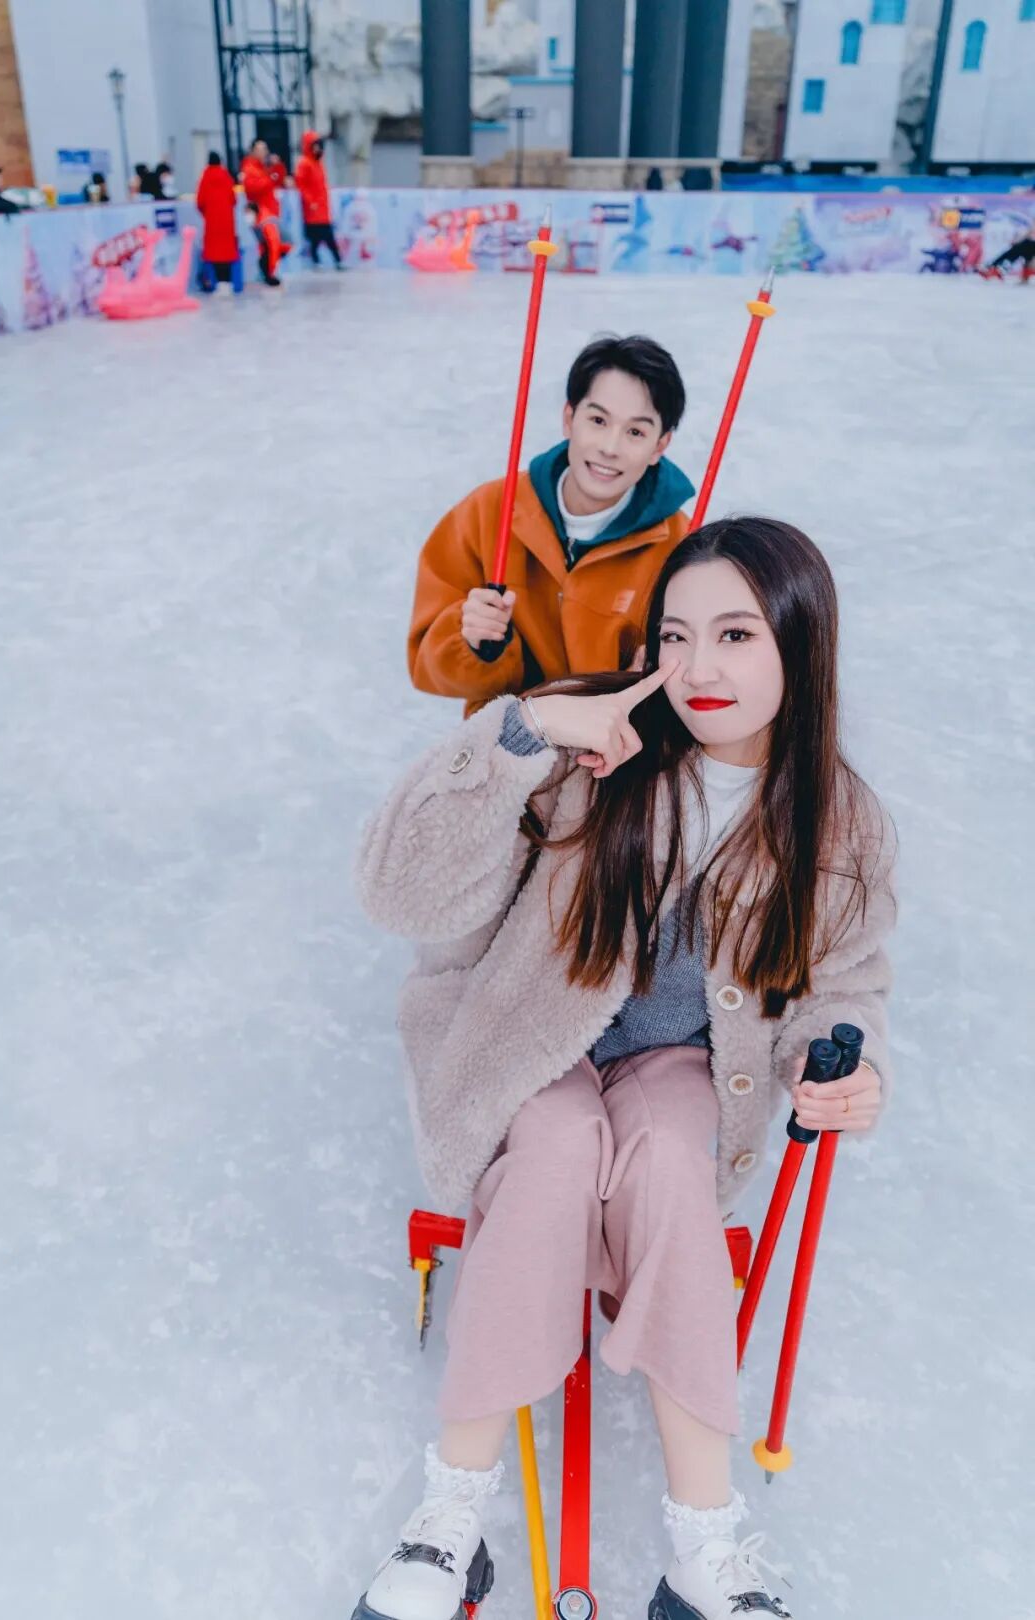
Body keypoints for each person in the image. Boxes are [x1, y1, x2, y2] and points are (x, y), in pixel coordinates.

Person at [356, 516, 897, 1620]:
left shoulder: (837, 819)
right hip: (523, 1039)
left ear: (801, 644)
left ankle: (705, 1543)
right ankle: (449, 1520)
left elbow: (844, 983)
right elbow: (399, 892)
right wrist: (525, 729)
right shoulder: (590, 740)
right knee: (557, 1145)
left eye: (736, 635)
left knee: (667, 1163)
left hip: (680, 1064)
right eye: (676, 636)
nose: (697, 668)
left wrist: (840, 1060)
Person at [409, 334, 693, 714]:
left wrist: (655, 681)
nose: (610, 447)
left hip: (621, 741)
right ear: (568, 418)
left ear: (660, 446)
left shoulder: (683, 546)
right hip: (508, 739)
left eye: (636, 432)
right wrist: (476, 643)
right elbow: (428, 666)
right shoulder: (488, 512)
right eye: (598, 420)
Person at [294, 130, 343, 268]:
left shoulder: (318, 163)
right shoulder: (304, 163)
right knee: (317, 236)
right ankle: (319, 261)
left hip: (322, 206)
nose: (318, 149)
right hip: (313, 208)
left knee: (327, 235)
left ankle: (335, 260)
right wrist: (310, 202)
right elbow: (302, 185)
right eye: (315, 145)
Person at [196, 151, 239, 290]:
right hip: (227, 221)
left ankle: (218, 283)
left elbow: (200, 202)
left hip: (212, 221)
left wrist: (207, 214)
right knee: (227, 252)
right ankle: (228, 282)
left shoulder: (205, 177)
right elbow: (233, 199)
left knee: (215, 252)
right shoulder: (226, 176)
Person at [244, 197, 290, 286]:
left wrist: (272, 269)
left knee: (265, 261)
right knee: (262, 260)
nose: (246, 215)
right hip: (272, 244)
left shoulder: (266, 223)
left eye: (248, 212)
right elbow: (261, 243)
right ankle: (268, 277)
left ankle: (271, 278)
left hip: (284, 245)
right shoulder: (256, 222)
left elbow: (274, 247)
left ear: (255, 212)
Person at [240, 138, 279, 218]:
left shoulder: (263, 167)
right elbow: (250, 188)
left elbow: (278, 180)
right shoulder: (249, 168)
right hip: (261, 212)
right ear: (253, 151)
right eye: (261, 150)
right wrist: (269, 180)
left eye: (265, 149)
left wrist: (277, 166)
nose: (264, 152)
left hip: (269, 210)